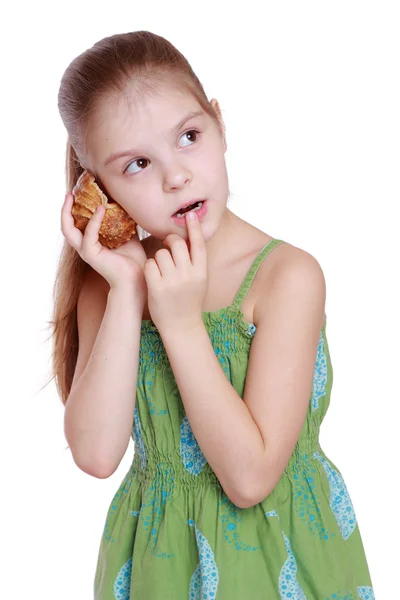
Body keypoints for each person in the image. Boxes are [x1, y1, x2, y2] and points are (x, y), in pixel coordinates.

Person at [53, 30, 375, 599]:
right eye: (136, 165)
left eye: (189, 136)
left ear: (220, 125)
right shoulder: (110, 287)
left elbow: (250, 478)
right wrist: (129, 290)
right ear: (99, 191)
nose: (175, 175)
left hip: (283, 559)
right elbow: (97, 455)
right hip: (161, 566)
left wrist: (178, 324)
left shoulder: (287, 278)